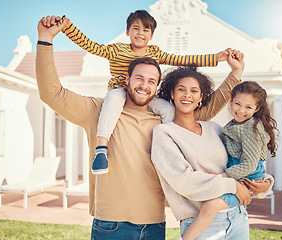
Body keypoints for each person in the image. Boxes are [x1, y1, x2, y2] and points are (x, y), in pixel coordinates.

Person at [36, 15, 253, 239]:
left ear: (157, 86)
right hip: (111, 225)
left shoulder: (165, 120)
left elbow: (204, 111)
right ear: (127, 79)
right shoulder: (99, 113)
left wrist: (235, 73)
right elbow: (51, 94)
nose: (144, 86)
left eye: (151, 81)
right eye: (139, 78)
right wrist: (45, 40)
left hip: (154, 225)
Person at [60, 10, 232, 175]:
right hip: (121, 91)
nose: (140, 33)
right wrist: (67, 27)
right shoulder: (117, 50)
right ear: (127, 32)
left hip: (146, 95)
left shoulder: (154, 52)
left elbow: (182, 60)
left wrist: (215, 58)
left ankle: (172, 147)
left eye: (145, 30)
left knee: (168, 109)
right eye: (136, 28)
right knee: (112, 99)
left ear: (151, 35)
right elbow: (91, 46)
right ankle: (101, 149)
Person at [151, 56, 274, 239]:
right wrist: (232, 185)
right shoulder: (164, 133)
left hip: (238, 216)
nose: (187, 95)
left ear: (201, 97)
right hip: (200, 223)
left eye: (194, 91)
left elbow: (241, 160)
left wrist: (265, 184)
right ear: (172, 94)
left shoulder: (215, 128)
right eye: (181, 90)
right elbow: (183, 181)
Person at [178, 81, 277, 240]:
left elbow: (250, 164)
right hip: (239, 174)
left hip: (247, 176)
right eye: (237, 104)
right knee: (209, 203)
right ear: (231, 102)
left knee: (210, 205)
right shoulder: (233, 125)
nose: (241, 110)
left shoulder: (252, 127)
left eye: (248, 107)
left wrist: (223, 176)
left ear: (256, 109)